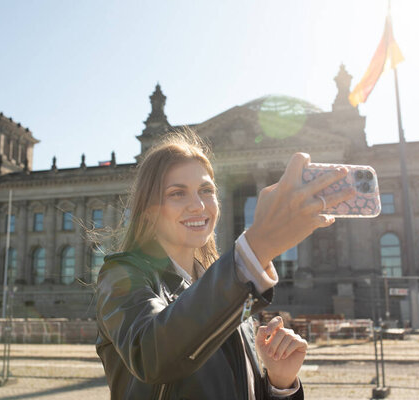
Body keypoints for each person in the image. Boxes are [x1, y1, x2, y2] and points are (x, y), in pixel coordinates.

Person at [94, 130, 354, 399]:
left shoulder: (230, 295)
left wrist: (280, 384)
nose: (198, 205)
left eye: (206, 190)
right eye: (177, 193)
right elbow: (149, 355)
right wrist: (256, 248)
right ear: (149, 209)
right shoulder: (121, 277)